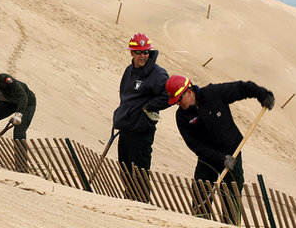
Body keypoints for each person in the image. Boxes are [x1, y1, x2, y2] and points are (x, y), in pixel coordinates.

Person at [165, 75, 275, 222]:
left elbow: (242, 88)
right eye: (175, 101)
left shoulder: (213, 94)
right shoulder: (182, 117)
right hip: (208, 159)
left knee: (231, 196)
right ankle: (199, 223)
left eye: (179, 99)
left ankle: (230, 224)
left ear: (188, 91)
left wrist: (262, 94)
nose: (177, 103)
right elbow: (195, 145)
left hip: (232, 153)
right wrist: (221, 159)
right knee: (200, 194)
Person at [112, 32, 169, 202]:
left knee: (140, 169)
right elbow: (124, 94)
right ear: (132, 53)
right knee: (125, 166)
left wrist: (149, 107)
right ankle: (129, 198)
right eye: (139, 52)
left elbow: (169, 95)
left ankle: (142, 202)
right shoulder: (129, 70)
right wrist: (123, 114)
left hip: (142, 130)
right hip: (126, 127)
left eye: (146, 52)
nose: (143, 56)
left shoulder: (157, 73)